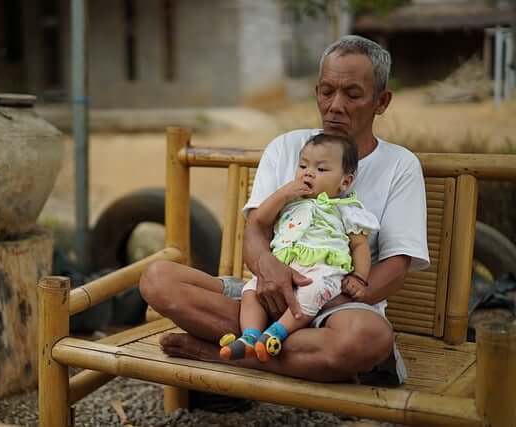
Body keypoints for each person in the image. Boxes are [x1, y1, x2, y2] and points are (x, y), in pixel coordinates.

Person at [140, 35, 429, 385]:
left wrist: (322, 301)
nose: (335, 105)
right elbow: (257, 229)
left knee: (367, 339)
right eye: (326, 91)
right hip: (266, 292)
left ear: (381, 101)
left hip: (337, 306)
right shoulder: (288, 147)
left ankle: (219, 353)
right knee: (157, 280)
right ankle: (287, 348)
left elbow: (397, 265)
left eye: (352, 94)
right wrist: (270, 272)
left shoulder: (400, 165)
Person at [219, 132, 379, 363]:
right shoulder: (290, 202)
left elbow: (359, 246)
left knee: (313, 291)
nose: (308, 172)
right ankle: (250, 337)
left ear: (344, 182)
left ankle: (276, 333)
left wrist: (360, 277)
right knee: (251, 290)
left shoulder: (347, 209)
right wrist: (282, 194)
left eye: (321, 169)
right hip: (282, 268)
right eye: (303, 165)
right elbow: (259, 220)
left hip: (323, 271)